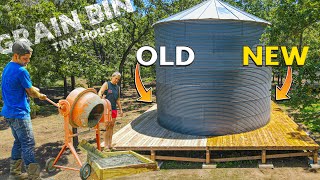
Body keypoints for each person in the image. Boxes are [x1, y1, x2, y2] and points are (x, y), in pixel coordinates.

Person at [2, 40, 47, 180]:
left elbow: (21, 87)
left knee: (19, 142)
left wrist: (33, 90)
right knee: (28, 144)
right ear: (16, 55)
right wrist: (39, 95)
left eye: (28, 58)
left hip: (9, 112)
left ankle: (14, 174)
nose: (27, 61)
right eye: (25, 58)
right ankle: (34, 177)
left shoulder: (7, 68)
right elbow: (31, 92)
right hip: (20, 113)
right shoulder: (21, 70)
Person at [98, 72, 123, 151]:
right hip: (107, 109)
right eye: (116, 78)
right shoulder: (107, 84)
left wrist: (121, 110)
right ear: (112, 77)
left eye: (118, 79)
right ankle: (105, 146)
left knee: (111, 126)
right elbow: (100, 92)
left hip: (114, 109)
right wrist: (101, 99)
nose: (117, 80)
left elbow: (118, 100)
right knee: (107, 126)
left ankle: (110, 144)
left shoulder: (117, 87)